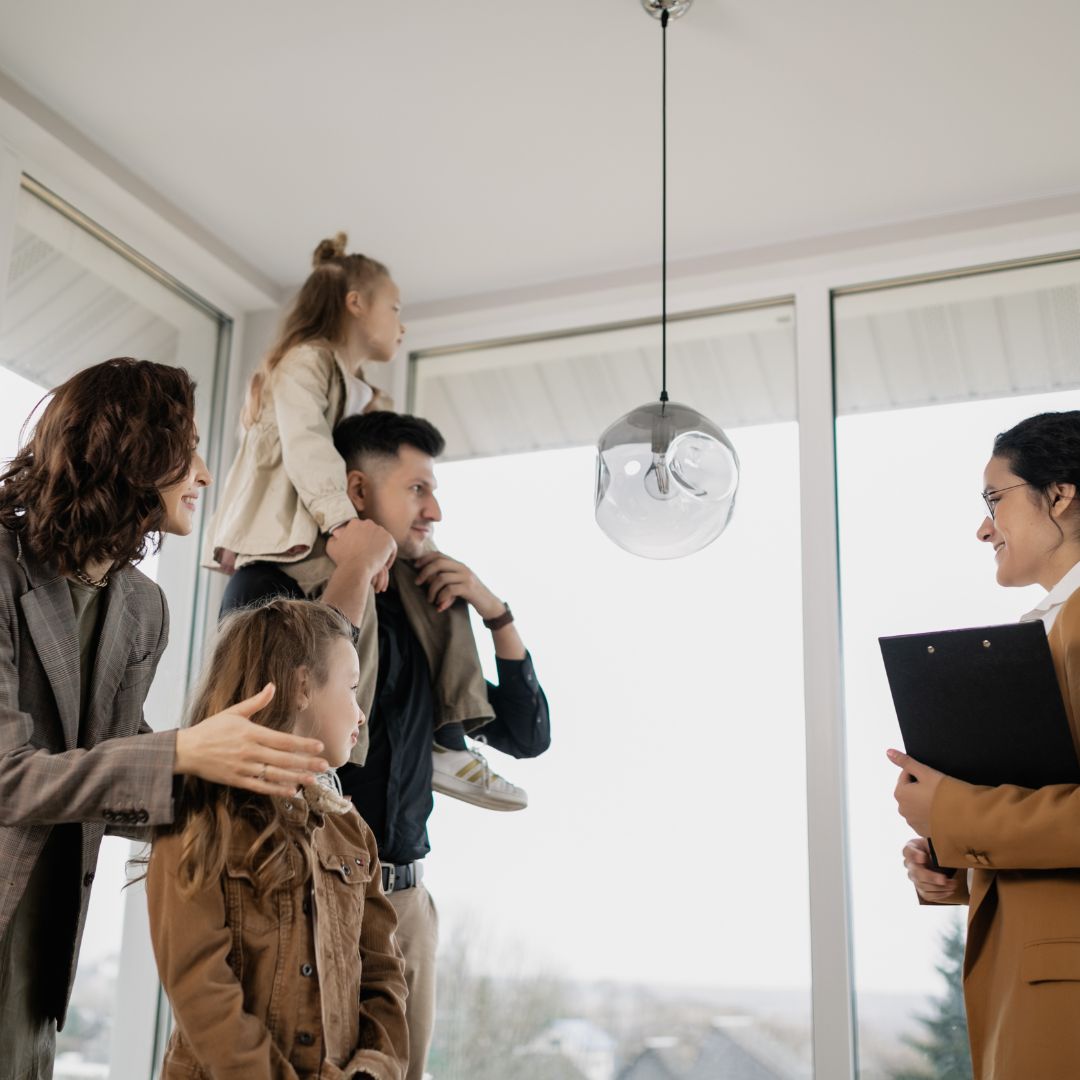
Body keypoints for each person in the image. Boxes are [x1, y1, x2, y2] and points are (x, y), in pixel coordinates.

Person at [0, 358, 330, 1079]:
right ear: (132, 450)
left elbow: (112, 777)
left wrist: (250, 776)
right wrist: (184, 751)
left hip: (39, 961)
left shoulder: (143, 607)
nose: (205, 474)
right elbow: (8, 780)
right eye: (189, 449)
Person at [221, 411, 551, 1080]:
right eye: (418, 488)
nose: (435, 509)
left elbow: (526, 735)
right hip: (304, 899)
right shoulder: (272, 586)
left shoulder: (427, 611)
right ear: (358, 491)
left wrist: (496, 613)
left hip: (405, 905)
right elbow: (271, 725)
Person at [206, 232, 525, 810]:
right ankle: (344, 758)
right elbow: (304, 448)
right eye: (395, 308)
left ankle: (448, 742)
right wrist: (345, 526)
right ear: (355, 303)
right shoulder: (306, 364)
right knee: (356, 626)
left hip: (325, 529)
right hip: (297, 535)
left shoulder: (359, 390)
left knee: (431, 576)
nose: (402, 325)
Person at [890, 410, 1080, 1079]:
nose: (982, 527)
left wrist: (955, 814)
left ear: (1060, 495)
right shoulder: (1046, 630)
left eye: (994, 500)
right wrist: (956, 865)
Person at [146, 599, 409, 1080]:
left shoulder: (352, 831)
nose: (361, 714)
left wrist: (371, 1069)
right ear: (303, 686)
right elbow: (201, 990)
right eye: (351, 689)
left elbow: (383, 978)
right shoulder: (199, 818)